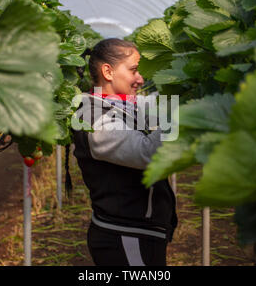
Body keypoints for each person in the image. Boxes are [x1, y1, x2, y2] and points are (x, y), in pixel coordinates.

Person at [71, 38, 177, 266]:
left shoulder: (123, 105)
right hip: (125, 236)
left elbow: (158, 106)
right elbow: (147, 152)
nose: (141, 79)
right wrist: (183, 114)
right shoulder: (91, 118)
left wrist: (183, 89)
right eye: (134, 70)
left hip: (140, 232)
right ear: (108, 72)